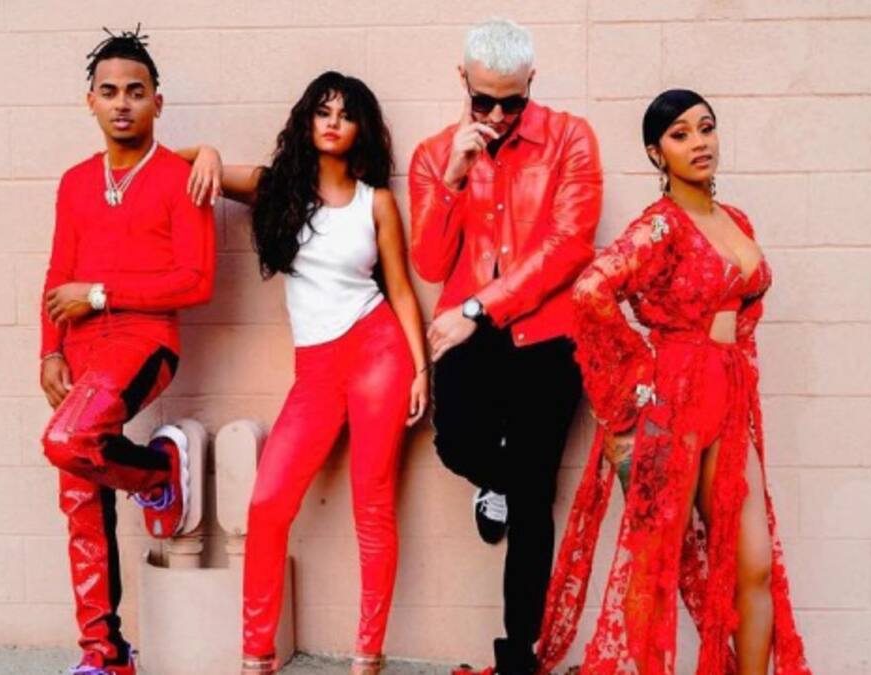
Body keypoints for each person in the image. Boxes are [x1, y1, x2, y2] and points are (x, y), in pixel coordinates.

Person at [537, 89, 810, 675]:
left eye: (706, 128)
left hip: (728, 397)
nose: (699, 143)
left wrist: (730, 352)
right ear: (655, 153)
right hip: (674, 398)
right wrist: (641, 373)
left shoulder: (736, 220)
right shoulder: (660, 226)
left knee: (754, 565)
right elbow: (590, 291)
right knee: (653, 568)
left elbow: (744, 304)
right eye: (680, 135)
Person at [180, 71, 429, 675]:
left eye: (346, 113)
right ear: (308, 121)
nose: (334, 122)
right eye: (323, 111)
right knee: (267, 504)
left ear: (361, 128)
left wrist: (421, 368)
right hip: (316, 369)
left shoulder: (376, 202)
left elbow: (399, 287)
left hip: (379, 353)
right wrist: (207, 152)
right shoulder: (276, 189)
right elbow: (176, 163)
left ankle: (368, 654)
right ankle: (256, 654)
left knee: (372, 505)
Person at [407, 18, 603, 675]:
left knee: (534, 496)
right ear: (462, 81)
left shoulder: (571, 138)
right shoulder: (435, 154)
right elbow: (430, 262)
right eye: (483, 100)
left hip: (546, 337)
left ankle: (518, 654)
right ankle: (495, 481)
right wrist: (453, 178)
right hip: (470, 337)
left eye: (512, 102)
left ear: (531, 83)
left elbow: (570, 246)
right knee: (457, 445)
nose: (496, 116)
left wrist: (478, 308)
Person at [38, 27, 215, 675]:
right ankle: (104, 654)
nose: (122, 103)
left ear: (156, 102)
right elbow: (57, 273)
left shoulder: (181, 177)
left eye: (135, 92)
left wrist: (102, 293)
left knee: (67, 441)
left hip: (143, 342)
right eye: (109, 92)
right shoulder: (74, 182)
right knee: (79, 492)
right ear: (90, 101)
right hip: (79, 352)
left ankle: (158, 476)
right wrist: (49, 352)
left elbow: (196, 281)